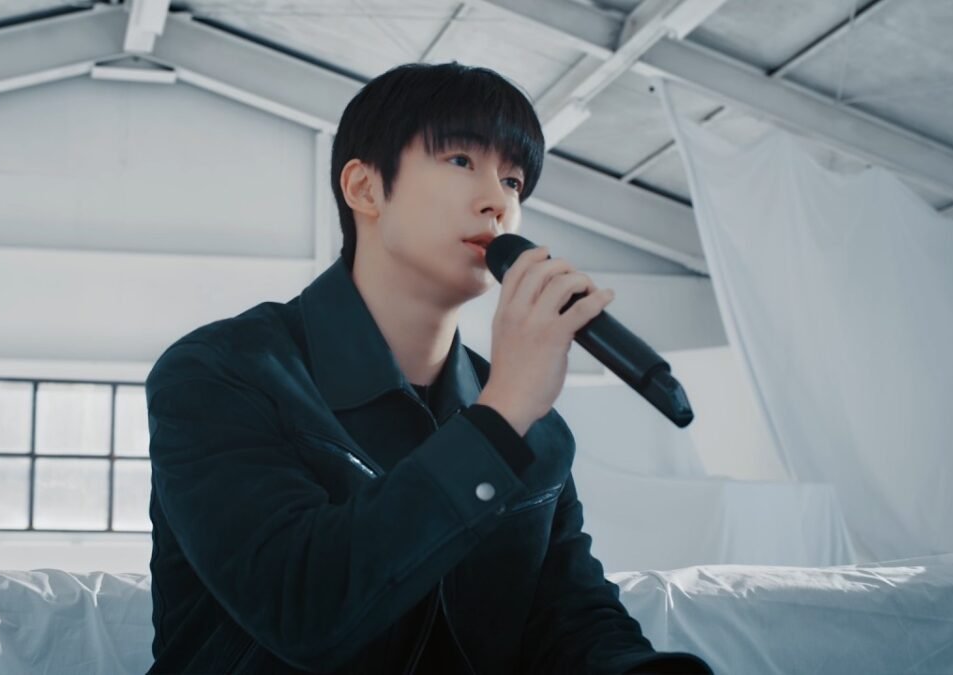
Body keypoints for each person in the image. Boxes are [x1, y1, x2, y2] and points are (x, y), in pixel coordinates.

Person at [145, 62, 713, 674]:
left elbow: (570, 621)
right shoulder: (220, 374)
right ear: (365, 189)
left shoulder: (537, 429)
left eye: (514, 180)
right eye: (461, 160)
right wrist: (501, 416)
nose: (498, 202)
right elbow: (304, 607)